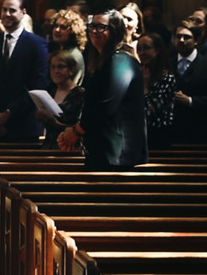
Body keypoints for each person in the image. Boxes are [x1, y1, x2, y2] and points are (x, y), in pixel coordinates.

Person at [58, 10, 147, 169]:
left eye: (101, 27)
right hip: (104, 151)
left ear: (116, 29)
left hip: (117, 154)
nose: (94, 31)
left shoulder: (120, 60)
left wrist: (77, 131)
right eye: (91, 26)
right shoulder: (105, 60)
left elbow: (106, 105)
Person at [0, 0, 50, 142]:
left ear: (23, 12)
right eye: (4, 10)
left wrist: (7, 114)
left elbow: (37, 86)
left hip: (23, 127)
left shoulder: (37, 44)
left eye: (12, 10)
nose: (7, 14)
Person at [170, 19, 207, 145]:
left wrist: (191, 101)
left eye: (187, 37)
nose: (181, 41)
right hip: (172, 132)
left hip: (199, 130)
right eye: (178, 37)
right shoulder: (167, 64)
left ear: (196, 41)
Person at [35, 47, 85, 148]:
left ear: (71, 70)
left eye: (61, 67)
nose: (56, 71)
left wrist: (53, 122)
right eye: (53, 67)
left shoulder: (79, 94)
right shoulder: (51, 91)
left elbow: (81, 126)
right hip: (49, 145)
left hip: (68, 147)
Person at [136, 33, 176, 150]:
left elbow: (150, 112)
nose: (142, 53)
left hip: (158, 136)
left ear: (157, 50)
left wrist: (145, 87)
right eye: (139, 49)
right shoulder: (137, 73)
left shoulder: (167, 78)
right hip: (139, 134)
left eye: (146, 48)